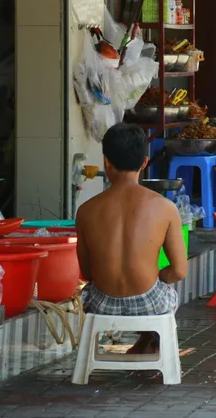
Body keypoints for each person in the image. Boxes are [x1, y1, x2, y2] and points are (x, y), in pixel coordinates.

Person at [76, 124, 187, 353]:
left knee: (89, 291)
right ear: (145, 162)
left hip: (101, 305)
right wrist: (155, 277)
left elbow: (87, 273)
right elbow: (179, 271)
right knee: (165, 293)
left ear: (106, 162)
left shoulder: (86, 210)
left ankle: (145, 342)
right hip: (149, 304)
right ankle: (153, 341)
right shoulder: (165, 208)